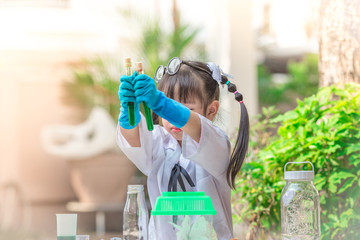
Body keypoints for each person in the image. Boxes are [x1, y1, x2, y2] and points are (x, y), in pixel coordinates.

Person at [117, 57, 249, 240]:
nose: (172, 117)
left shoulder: (217, 143)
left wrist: (163, 104)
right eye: (166, 111)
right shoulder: (159, 141)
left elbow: (195, 125)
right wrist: (128, 111)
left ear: (211, 110)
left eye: (185, 108)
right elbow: (134, 140)